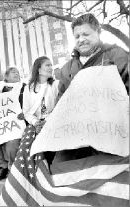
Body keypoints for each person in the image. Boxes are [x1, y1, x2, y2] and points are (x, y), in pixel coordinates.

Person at [53, 13, 129, 163]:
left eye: (86, 34)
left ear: (98, 32)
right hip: (75, 136)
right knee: (61, 169)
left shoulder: (117, 55)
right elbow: (60, 102)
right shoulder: (67, 68)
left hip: (112, 133)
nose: (81, 39)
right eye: (77, 36)